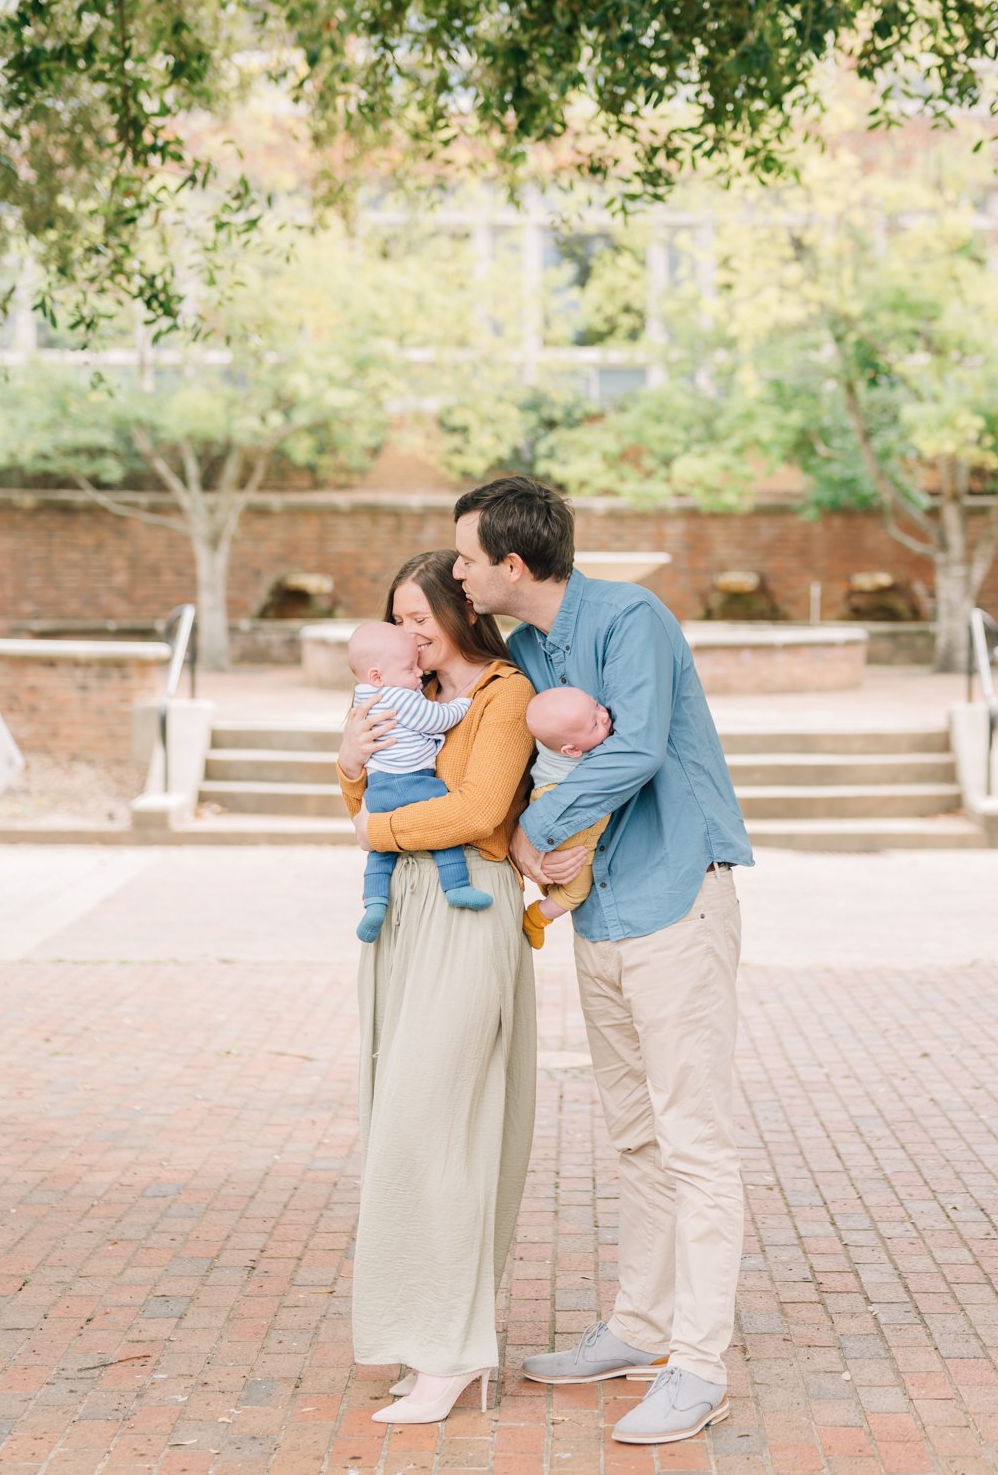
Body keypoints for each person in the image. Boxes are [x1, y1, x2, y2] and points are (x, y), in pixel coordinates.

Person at [451, 477, 755, 1449]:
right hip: (601, 912)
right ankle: (639, 1324)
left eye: (465, 556)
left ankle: (697, 1363)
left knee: (693, 1135)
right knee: (634, 1132)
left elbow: (637, 751)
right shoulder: (529, 649)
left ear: (511, 562)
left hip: (675, 894)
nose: (457, 570)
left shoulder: (631, 615)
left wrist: (535, 825)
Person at [335, 549, 588, 1429]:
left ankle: (452, 1350)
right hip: (400, 915)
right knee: (396, 1130)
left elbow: (478, 813)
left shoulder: (503, 695)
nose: (408, 632)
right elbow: (358, 803)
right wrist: (347, 763)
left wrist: (377, 824)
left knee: (439, 1127)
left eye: (419, 616)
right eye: (397, 617)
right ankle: (426, 1339)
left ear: (458, 610)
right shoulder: (402, 697)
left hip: (466, 913)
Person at [346, 617, 487, 941]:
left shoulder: (362, 698)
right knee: (444, 833)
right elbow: (434, 719)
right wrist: (463, 704)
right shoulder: (398, 697)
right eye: (410, 669)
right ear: (378, 676)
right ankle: (457, 887)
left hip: (378, 789)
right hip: (414, 781)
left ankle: (375, 903)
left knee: (380, 854)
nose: (419, 673)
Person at [520, 684, 613, 949]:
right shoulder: (582, 755)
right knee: (576, 891)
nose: (605, 716)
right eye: (595, 725)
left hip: (543, 796)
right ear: (571, 751)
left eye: (596, 705)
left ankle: (549, 886)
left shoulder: (554, 736)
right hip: (559, 801)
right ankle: (536, 918)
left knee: (561, 865)